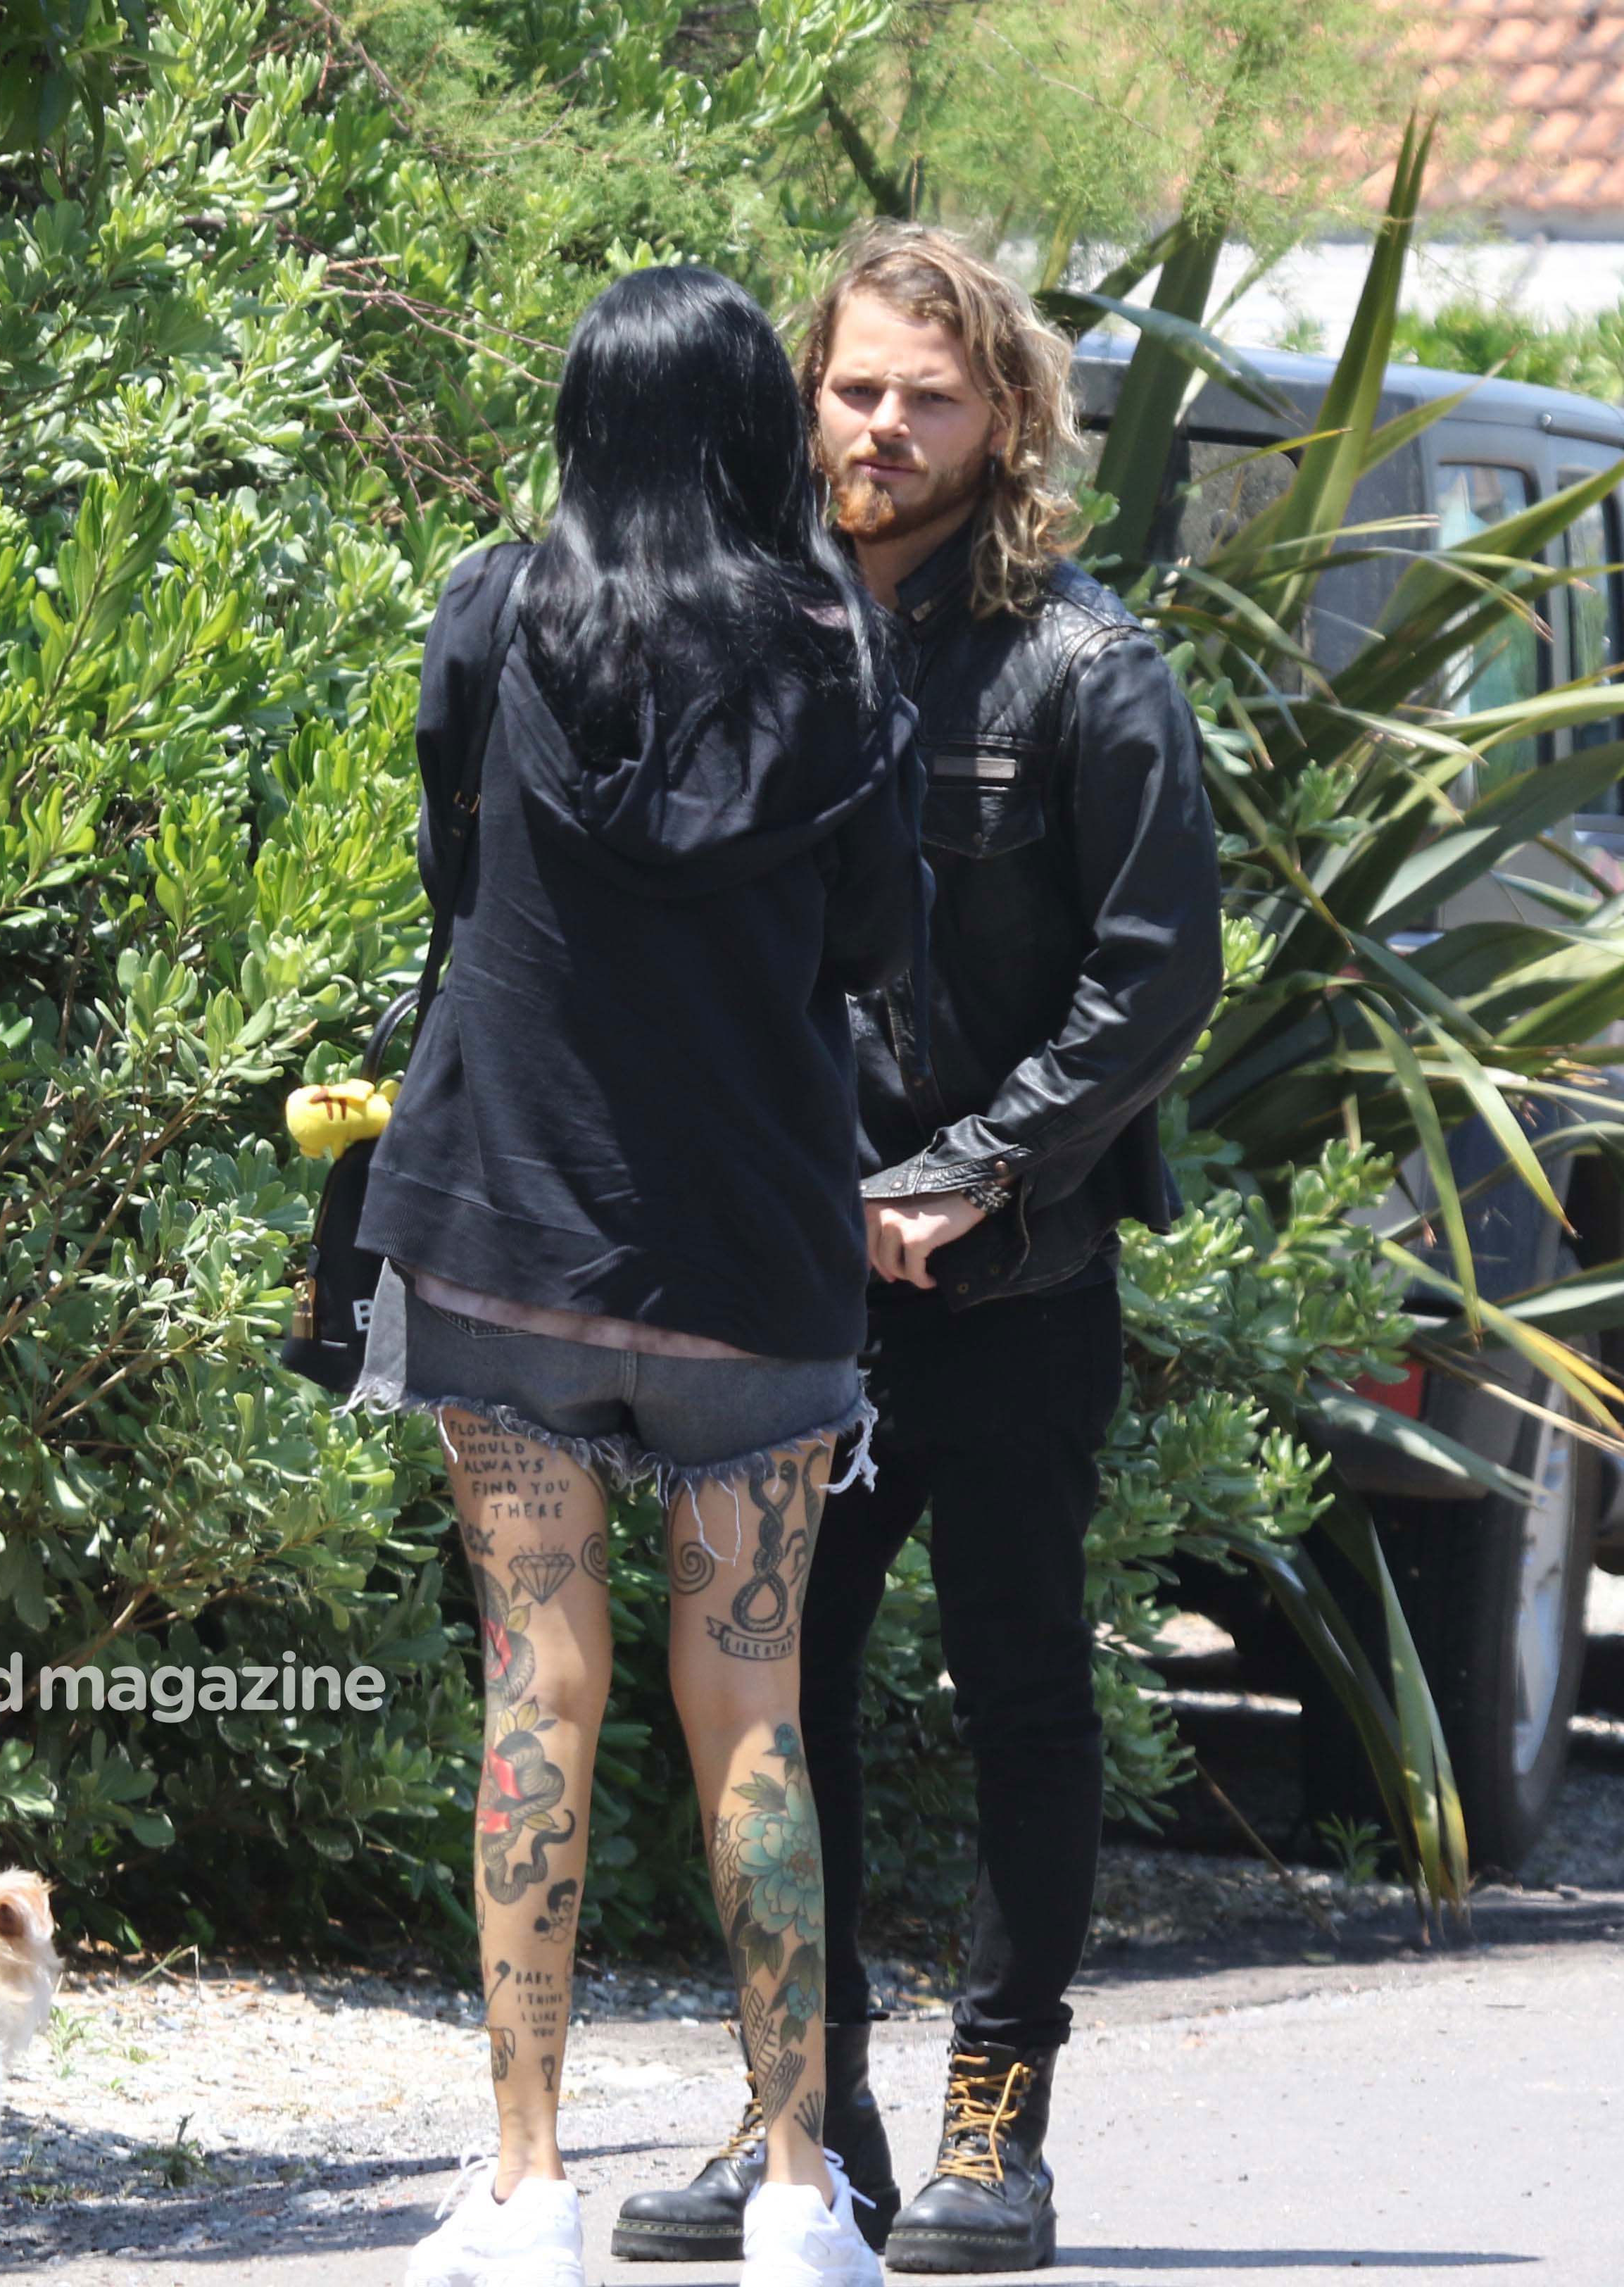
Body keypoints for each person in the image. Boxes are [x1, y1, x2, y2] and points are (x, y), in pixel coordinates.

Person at [612, 227, 1223, 2276]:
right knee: (770, 1703)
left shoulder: (1088, 666)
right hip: (786, 1281)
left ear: (1006, 422)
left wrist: (971, 1171)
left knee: (1024, 1691)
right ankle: (817, 2120)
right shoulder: (754, 632)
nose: (883, 428)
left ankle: (999, 2120)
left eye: (930, 399)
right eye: (856, 388)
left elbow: (1153, 980)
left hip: (1009, 1285)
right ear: (811, 392)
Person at [352, 262, 926, 2287]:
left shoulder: (496, 613)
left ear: (587, 426)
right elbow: (873, 946)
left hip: (508, 1225)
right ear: (767, 428)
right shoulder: (839, 647)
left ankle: (519, 2187)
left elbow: (450, 866)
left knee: (541, 1686)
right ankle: (799, 2193)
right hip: (754, 1258)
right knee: (747, 1705)